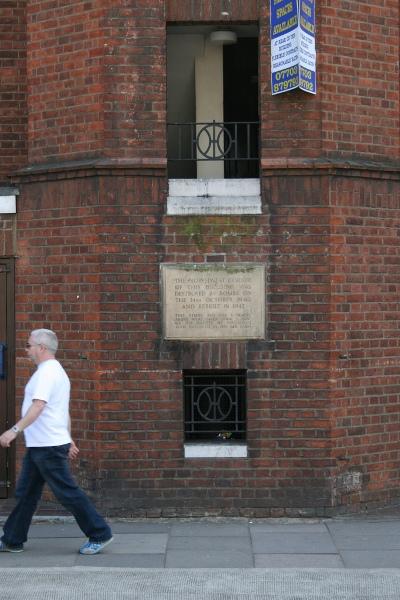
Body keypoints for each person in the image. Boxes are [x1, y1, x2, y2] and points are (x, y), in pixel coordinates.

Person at [0, 328, 113, 555]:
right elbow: (63, 411)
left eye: (29, 345)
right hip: (43, 445)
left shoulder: (47, 373)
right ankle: (12, 539)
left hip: (48, 446)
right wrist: (68, 439)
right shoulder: (55, 371)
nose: (27, 349)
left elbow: (39, 406)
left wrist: (14, 430)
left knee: (67, 492)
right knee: (26, 494)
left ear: (41, 348)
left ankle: (100, 533)